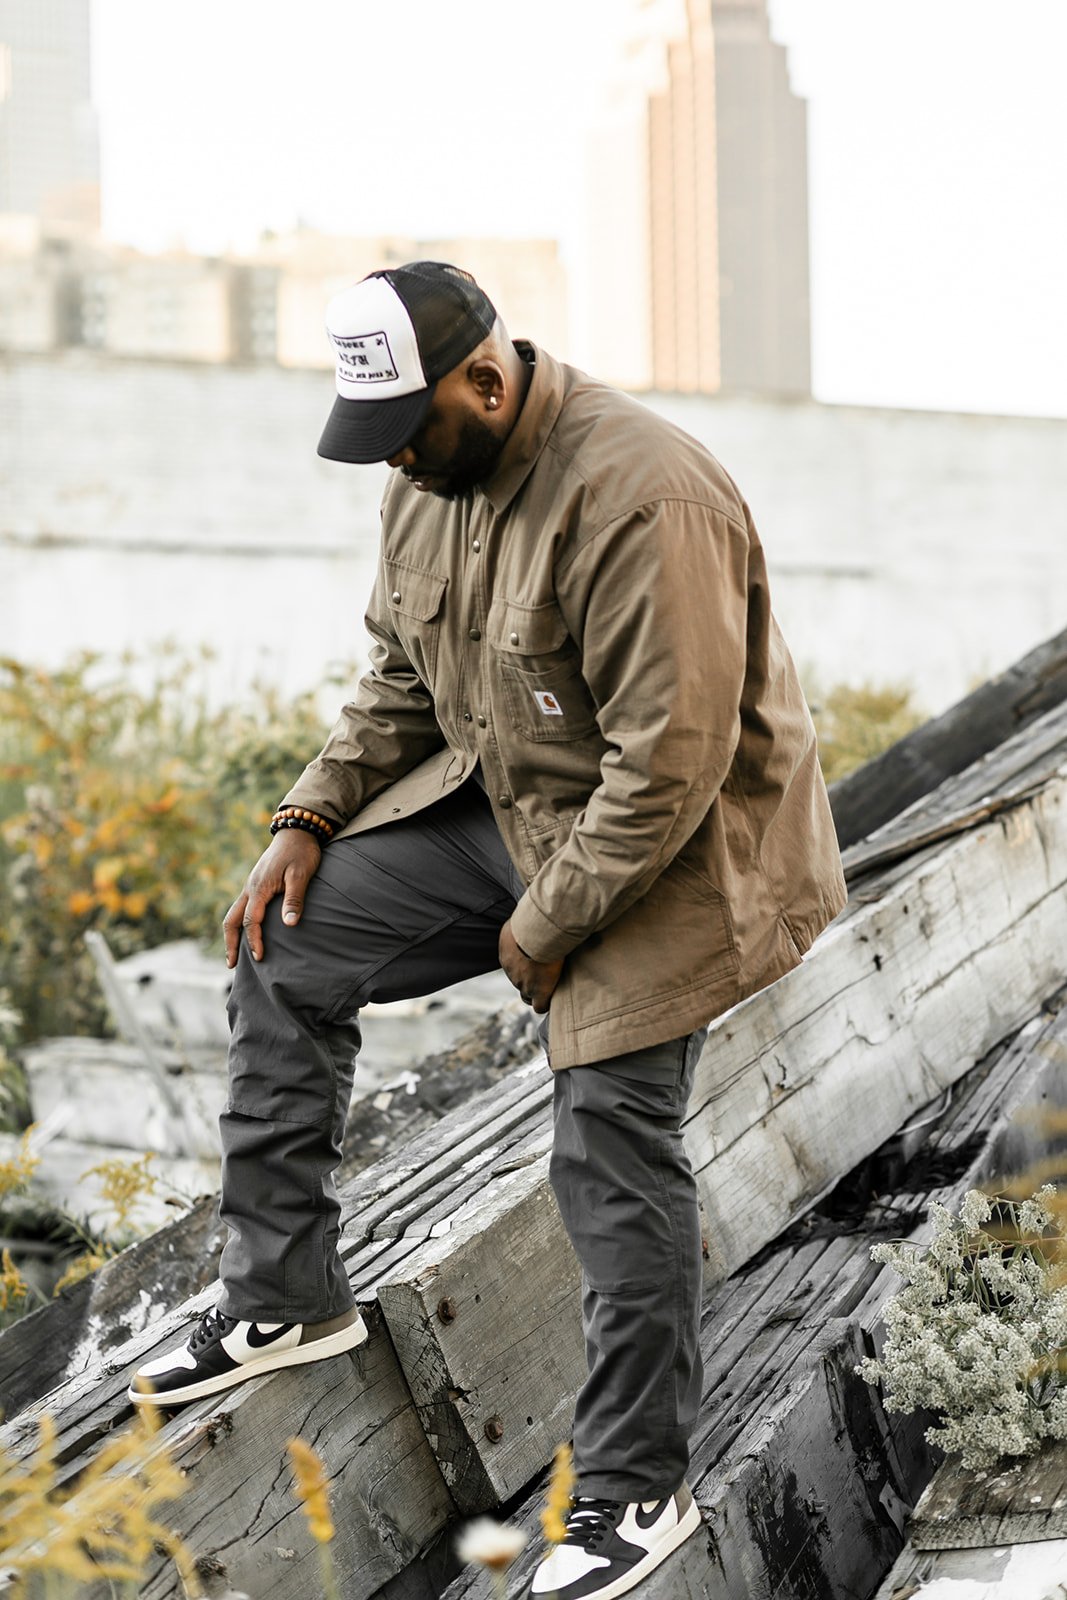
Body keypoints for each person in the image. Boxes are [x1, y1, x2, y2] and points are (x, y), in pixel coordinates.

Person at [131, 261, 847, 1600]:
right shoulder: (426, 479)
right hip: (511, 810)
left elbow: (670, 761)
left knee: (607, 1136)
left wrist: (549, 924)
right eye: (378, 436)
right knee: (287, 941)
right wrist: (307, 816)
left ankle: (638, 1492)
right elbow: (401, 677)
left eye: (414, 425)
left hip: (681, 849)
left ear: (486, 377)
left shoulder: (643, 490)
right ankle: (286, 1291)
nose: (396, 456)